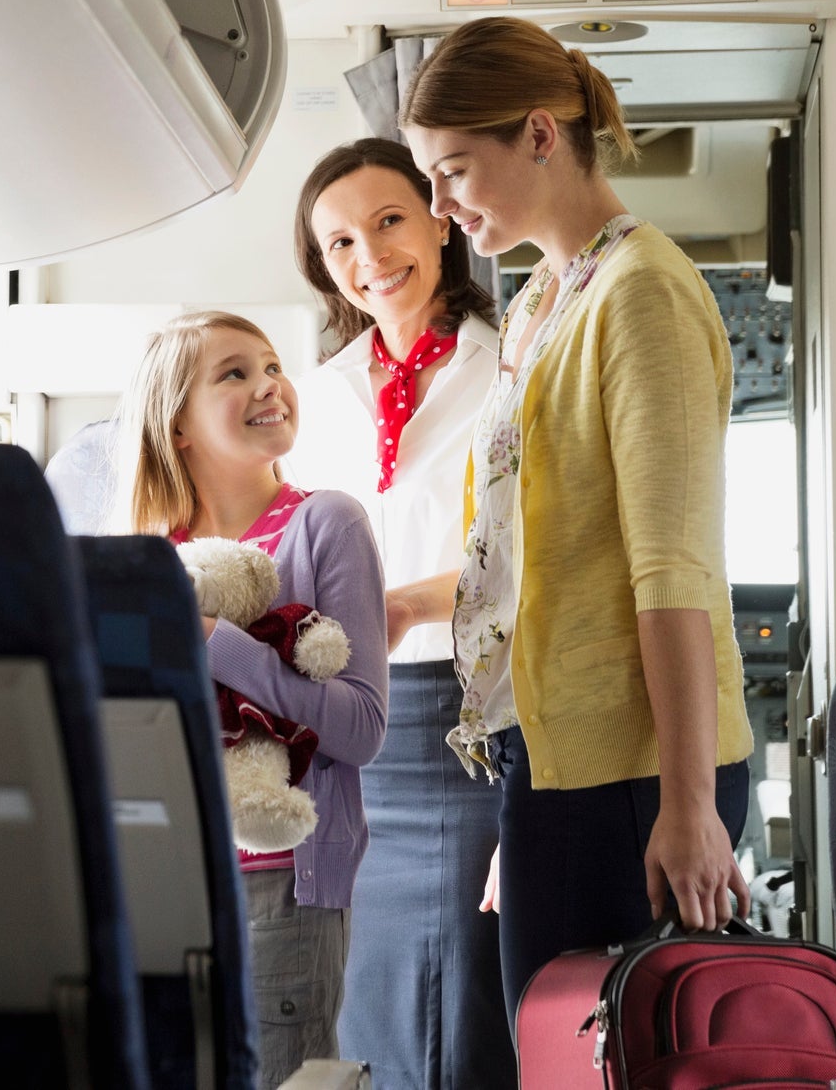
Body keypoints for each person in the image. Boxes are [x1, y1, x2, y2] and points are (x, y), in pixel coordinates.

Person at [398, 17, 754, 1028]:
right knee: (555, 1055)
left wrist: (686, 806)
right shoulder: (540, 302)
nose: (439, 206)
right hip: (562, 769)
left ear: (542, 135)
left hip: (639, 773)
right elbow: (527, 559)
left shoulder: (640, 292)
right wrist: (531, 788)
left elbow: (669, 569)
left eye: (455, 169)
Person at [111, 310, 388, 1088]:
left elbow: (361, 729)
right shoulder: (142, 554)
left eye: (270, 366)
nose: (268, 384)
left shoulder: (325, 524)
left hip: (281, 884)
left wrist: (214, 641)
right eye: (234, 373)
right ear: (178, 424)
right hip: (159, 879)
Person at [287, 139, 512, 1089]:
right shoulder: (317, 393)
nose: (367, 257)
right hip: (348, 741)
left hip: (470, 727)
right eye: (338, 242)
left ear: (438, 221)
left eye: (386, 222)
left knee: (462, 1006)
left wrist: (408, 606)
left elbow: (543, 561)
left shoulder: (509, 369)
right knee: (363, 1006)